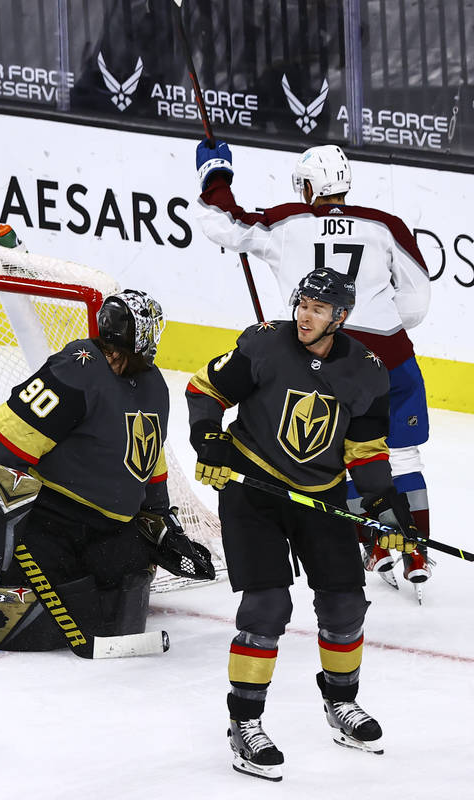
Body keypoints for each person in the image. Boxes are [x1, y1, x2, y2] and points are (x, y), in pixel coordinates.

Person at [186, 267, 420, 781]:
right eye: (302, 304)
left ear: (341, 317)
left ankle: (341, 705)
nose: (304, 315)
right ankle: (244, 723)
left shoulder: (366, 370)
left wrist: (385, 506)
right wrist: (209, 439)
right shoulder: (265, 344)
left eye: (318, 309)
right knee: (267, 606)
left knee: (345, 604)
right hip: (253, 490)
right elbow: (204, 389)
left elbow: (364, 450)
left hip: (320, 496)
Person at [193, 139, 434, 586]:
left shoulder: (289, 223)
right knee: (401, 453)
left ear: (309, 185)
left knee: (334, 454)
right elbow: (417, 301)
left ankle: (372, 537)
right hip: (391, 358)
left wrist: (215, 174)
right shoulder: (385, 226)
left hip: (327, 362)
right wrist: (375, 331)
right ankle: (414, 550)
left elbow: (224, 225)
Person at [0, 290, 203, 640]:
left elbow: (149, 454)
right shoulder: (75, 370)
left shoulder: (152, 383)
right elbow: (8, 431)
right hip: (51, 521)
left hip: (111, 527)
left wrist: (159, 518)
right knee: (51, 620)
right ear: (141, 335)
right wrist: (6, 515)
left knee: (124, 603)